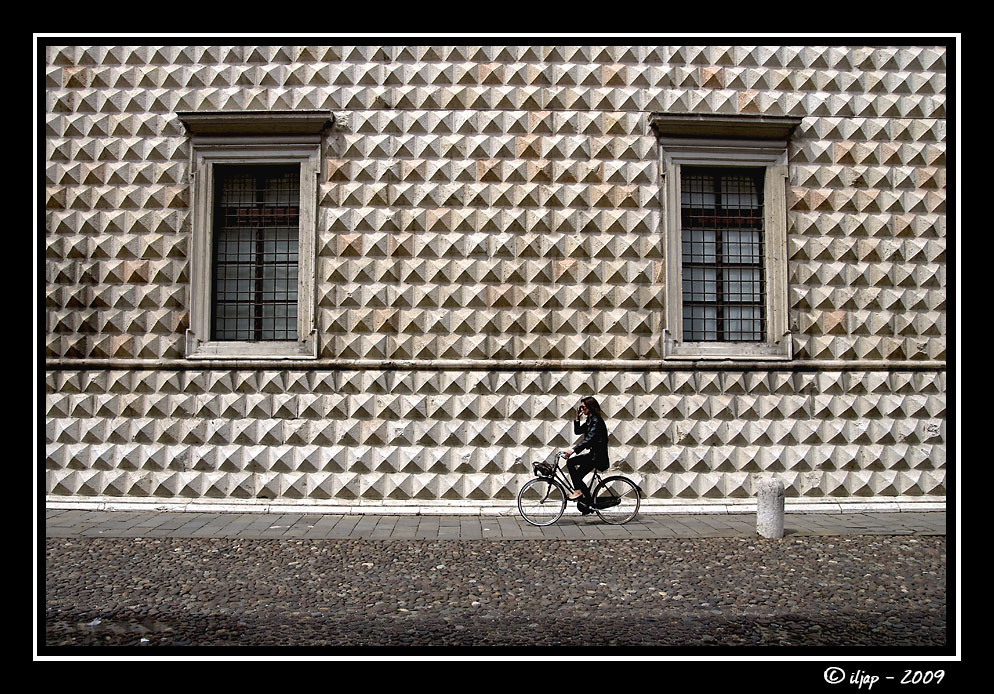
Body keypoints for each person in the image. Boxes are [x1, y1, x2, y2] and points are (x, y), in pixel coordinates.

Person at [562, 396, 610, 501]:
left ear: (590, 407)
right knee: (577, 477)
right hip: (593, 455)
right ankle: (588, 501)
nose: (582, 409)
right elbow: (578, 431)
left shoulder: (597, 421)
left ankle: (579, 492)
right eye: (581, 407)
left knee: (571, 463)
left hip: (597, 457)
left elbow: (589, 439)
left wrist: (572, 450)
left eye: (583, 407)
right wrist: (577, 418)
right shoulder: (590, 420)